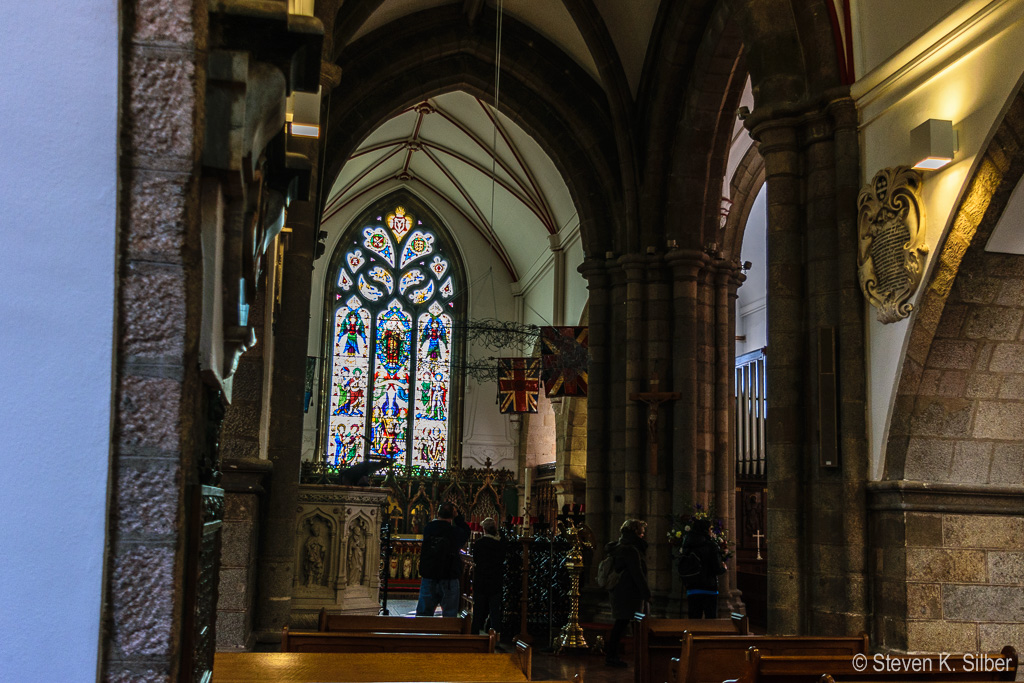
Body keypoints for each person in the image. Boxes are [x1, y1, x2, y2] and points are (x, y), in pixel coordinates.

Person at [604, 519, 651, 668]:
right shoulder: (630, 549)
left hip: (622, 592)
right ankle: (613, 656)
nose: (643, 535)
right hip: (629, 593)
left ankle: (614, 656)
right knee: (624, 624)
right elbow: (637, 573)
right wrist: (647, 593)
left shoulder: (620, 546)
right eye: (642, 532)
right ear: (635, 532)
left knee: (623, 623)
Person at [416, 501, 471, 617]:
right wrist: (458, 517)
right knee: (449, 616)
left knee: (423, 616)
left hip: (429, 576)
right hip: (449, 577)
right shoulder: (455, 532)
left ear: (437, 513)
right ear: (453, 515)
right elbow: (466, 531)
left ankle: (420, 634)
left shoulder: (428, 528)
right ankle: (448, 634)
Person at [680, 518, 726, 618]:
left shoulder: (688, 544)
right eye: (710, 529)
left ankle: (692, 634)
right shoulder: (711, 546)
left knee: (694, 620)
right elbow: (716, 569)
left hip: (692, 587)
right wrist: (724, 568)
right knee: (710, 622)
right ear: (705, 530)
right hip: (708, 588)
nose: (711, 531)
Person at [471, 517, 504, 635]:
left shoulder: (479, 544)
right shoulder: (499, 544)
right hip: (495, 581)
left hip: (481, 581)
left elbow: (476, 560)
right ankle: (496, 636)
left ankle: (474, 633)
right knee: (495, 611)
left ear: (484, 529)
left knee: (478, 610)